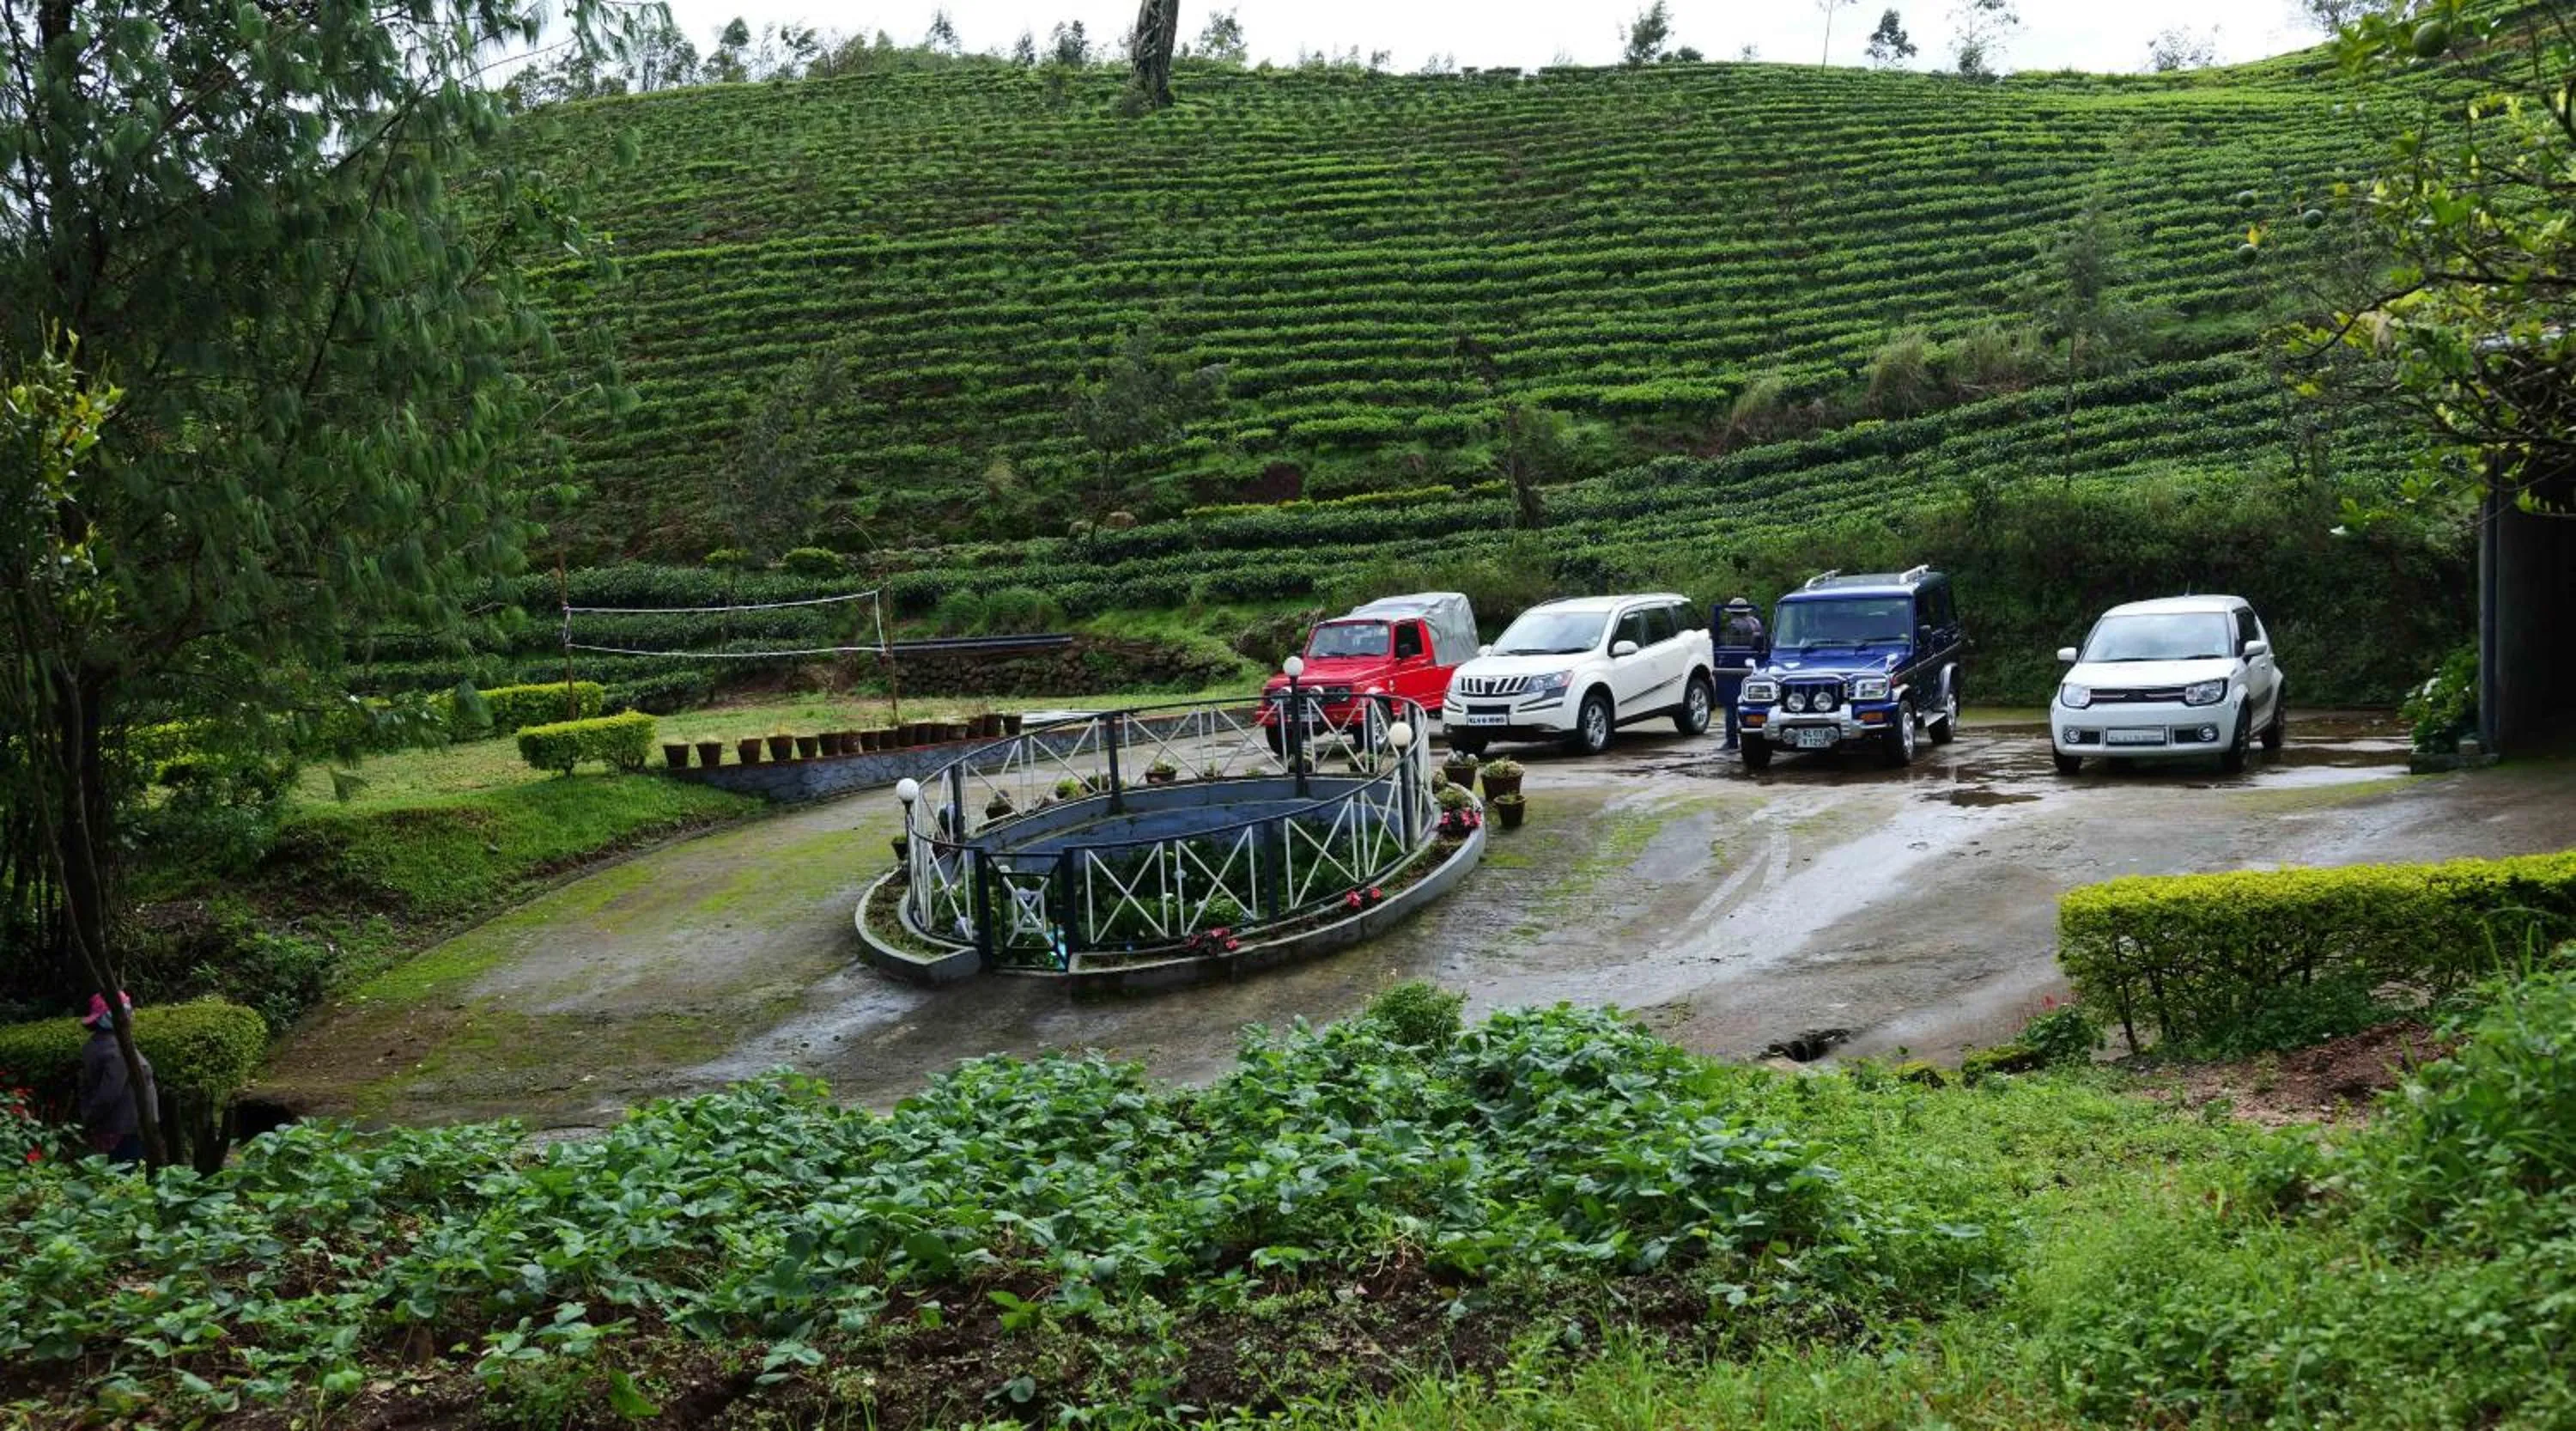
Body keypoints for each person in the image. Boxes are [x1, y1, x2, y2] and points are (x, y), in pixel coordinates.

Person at [77, 991, 156, 1166]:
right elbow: (108, 1094)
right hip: (123, 1129)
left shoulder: (98, 1044)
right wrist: (91, 1119)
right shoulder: (116, 1049)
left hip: (122, 1126)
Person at [1710, 597, 1767, 751]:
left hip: (1735, 667)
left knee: (1730, 706)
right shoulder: (1756, 622)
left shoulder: (1734, 625)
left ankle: (1731, 741)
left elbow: (1728, 647)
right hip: (1754, 665)